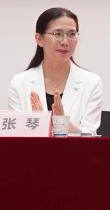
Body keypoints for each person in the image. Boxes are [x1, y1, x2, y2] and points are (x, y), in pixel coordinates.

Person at [8, 7, 103, 136]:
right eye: (57, 34)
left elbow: (89, 135)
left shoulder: (91, 82)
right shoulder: (19, 83)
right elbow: (14, 135)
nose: (65, 42)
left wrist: (61, 122)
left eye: (72, 34)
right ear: (39, 39)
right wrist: (40, 123)